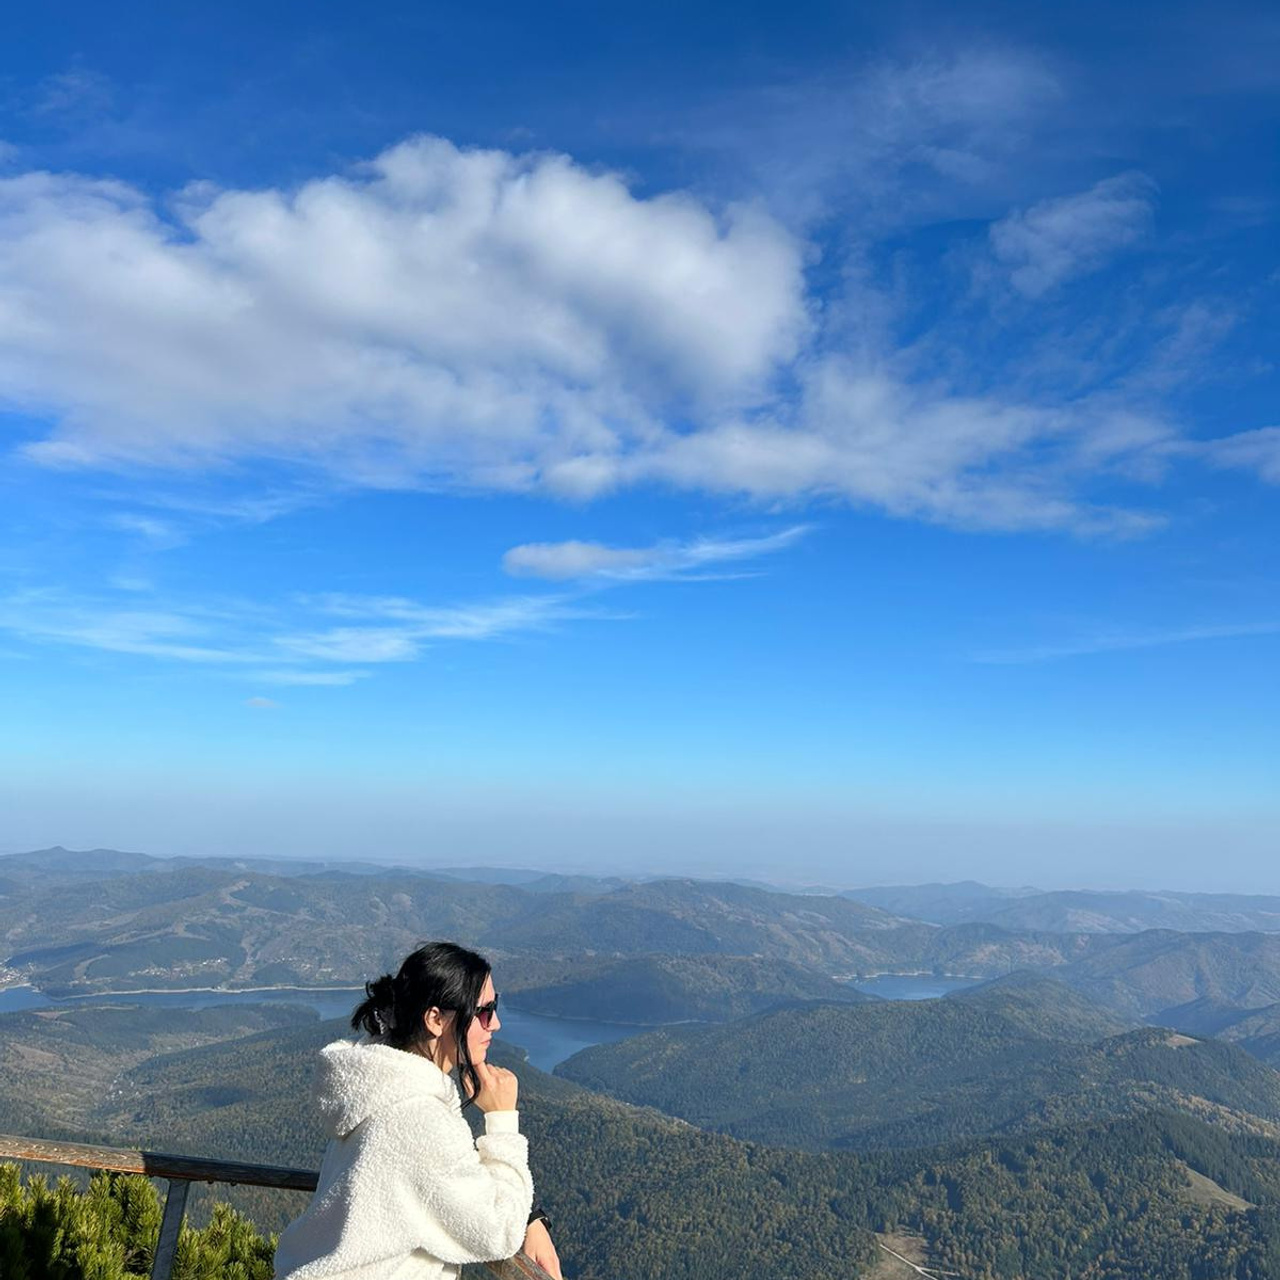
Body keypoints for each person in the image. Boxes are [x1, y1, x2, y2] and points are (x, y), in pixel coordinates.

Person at [274, 941, 562, 1280]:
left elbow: (446, 1178)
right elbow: (497, 1233)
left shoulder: (378, 1089)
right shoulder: (417, 1118)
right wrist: (502, 1121)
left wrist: (531, 1216)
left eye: (494, 1006)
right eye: (484, 1011)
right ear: (436, 1019)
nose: (495, 1023)